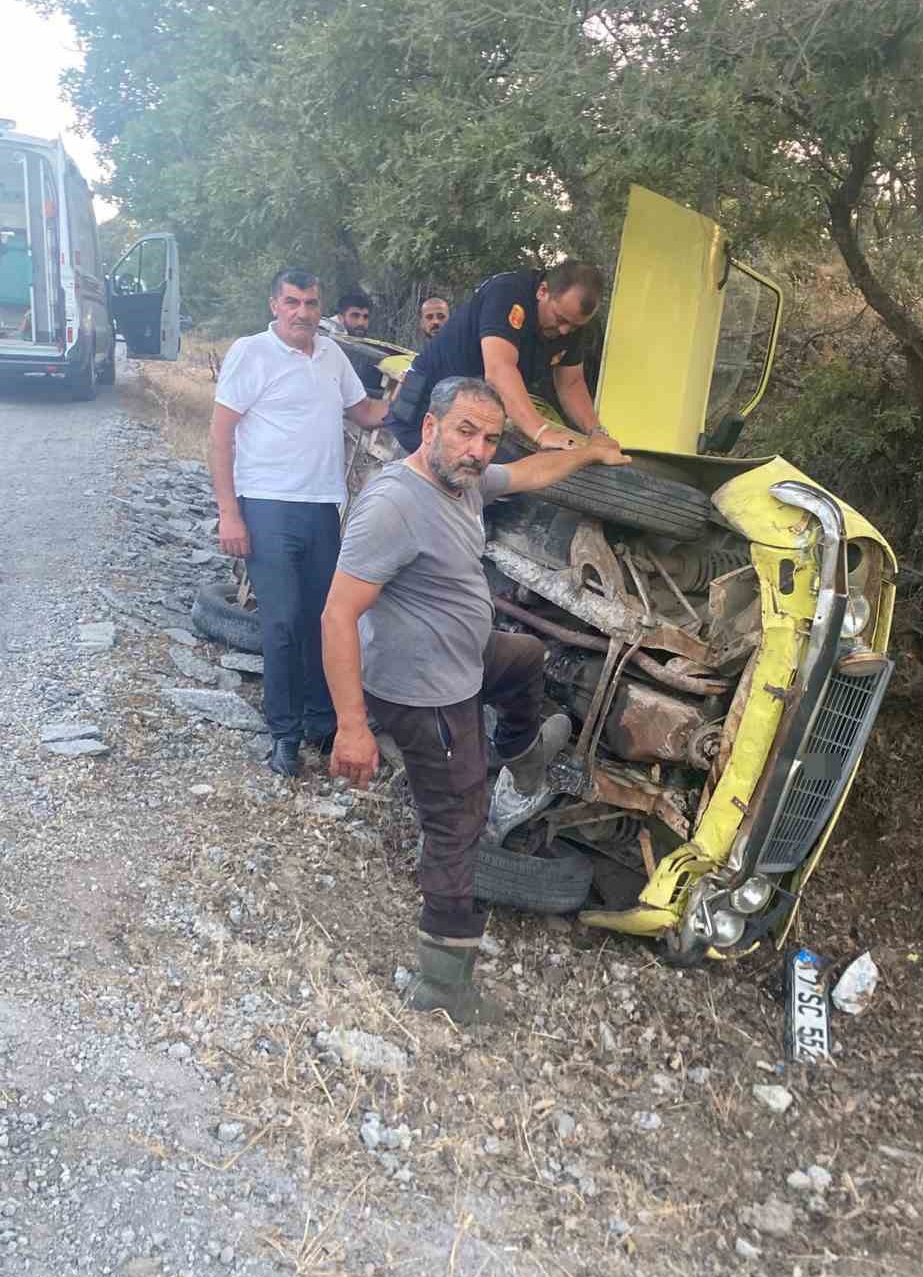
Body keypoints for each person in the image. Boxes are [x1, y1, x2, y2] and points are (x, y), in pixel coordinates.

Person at [322, 374, 630, 1023]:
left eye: (490, 437)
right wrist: (352, 727)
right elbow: (337, 615)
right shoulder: (394, 506)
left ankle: (519, 754)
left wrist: (591, 451)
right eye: (465, 431)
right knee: (458, 822)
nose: (479, 449)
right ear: (429, 427)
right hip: (425, 693)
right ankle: (442, 984)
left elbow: (532, 474)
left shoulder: (464, 481)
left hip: (466, 658)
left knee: (525, 657)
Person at [208, 268, 391, 777]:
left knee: (323, 620)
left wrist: (410, 399)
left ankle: (320, 721)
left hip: (322, 507)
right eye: (292, 302)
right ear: (274, 305)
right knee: (283, 621)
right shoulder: (252, 352)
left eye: (310, 303)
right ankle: (284, 736)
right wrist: (229, 512)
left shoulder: (332, 355)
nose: (302, 313)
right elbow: (220, 436)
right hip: (266, 506)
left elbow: (365, 411)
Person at [386, 260, 609, 454]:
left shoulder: (571, 323)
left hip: (469, 421)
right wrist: (541, 431)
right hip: (422, 411)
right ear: (543, 291)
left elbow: (571, 383)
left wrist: (596, 433)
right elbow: (499, 370)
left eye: (574, 325)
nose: (564, 331)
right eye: (560, 319)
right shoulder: (508, 293)